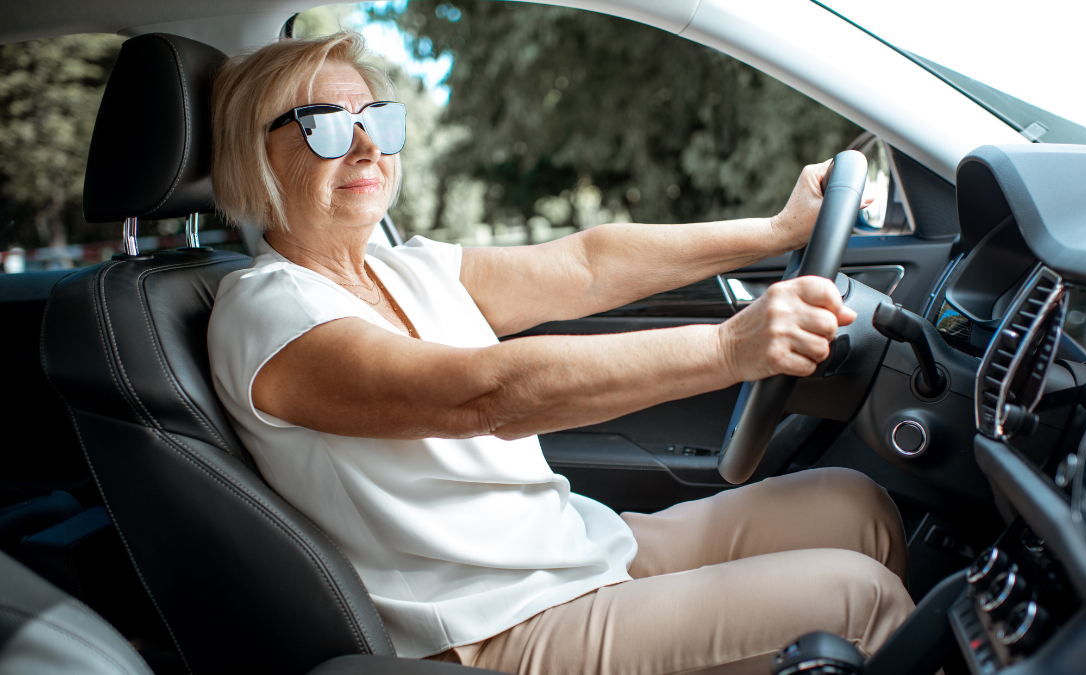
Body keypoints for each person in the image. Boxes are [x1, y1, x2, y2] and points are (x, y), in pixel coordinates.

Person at [207, 32, 913, 675]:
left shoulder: (399, 266)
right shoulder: (268, 311)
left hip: (575, 548)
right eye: (326, 126)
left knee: (856, 506)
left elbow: (586, 266)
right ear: (252, 152)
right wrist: (732, 346)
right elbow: (485, 395)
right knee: (861, 599)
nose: (366, 147)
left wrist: (776, 230)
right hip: (499, 625)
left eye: (377, 119)